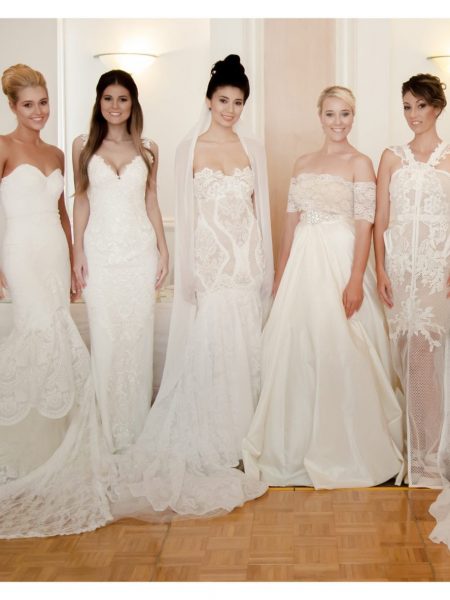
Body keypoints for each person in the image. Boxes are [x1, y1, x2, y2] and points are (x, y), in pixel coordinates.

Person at [110, 54, 274, 517]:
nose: (230, 110)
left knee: (247, 343)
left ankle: (248, 435)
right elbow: (185, 214)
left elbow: (261, 209)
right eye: (223, 100)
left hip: (246, 259)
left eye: (237, 103)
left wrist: (266, 264)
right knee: (214, 345)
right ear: (209, 100)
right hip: (211, 261)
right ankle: (218, 434)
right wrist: (188, 271)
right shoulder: (190, 148)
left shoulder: (253, 147)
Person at [242, 85, 404, 488]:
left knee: (342, 344)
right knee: (298, 346)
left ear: (353, 117)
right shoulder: (302, 163)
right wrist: (280, 275)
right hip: (303, 262)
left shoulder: (361, 163)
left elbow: (365, 226)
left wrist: (355, 280)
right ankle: (294, 443)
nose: (337, 122)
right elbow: (290, 225)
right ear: (320, 117)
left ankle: (346, 445)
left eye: (344, 114)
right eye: (330, 114)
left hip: (341, 258)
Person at [0, 64, 111, 538]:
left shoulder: (57, 153)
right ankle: (22, 449)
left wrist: (72, 258)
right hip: (21, 252)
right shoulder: (3, 147)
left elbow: (63, 212)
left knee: (57, 337)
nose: (38, 111)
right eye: (28, 104)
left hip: (53, 253)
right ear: (12, 106)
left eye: (43, 102)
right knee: (38, 334)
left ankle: (53, 447)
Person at [72, 70, 169, 454]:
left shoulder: (149, 149)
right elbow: (81, 199)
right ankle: (107, 433)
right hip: (99, 255)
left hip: (139, 254)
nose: (115, 106)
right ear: (99, 102)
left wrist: (163, 248)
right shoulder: (84, 146)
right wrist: (77, 250)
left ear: (133, 103)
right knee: (107, 338)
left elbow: (151, 199)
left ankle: (136, 433)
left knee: (136, 339)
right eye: (108, 98)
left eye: (123, 99)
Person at [375, 74, 450, 491]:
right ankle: (410, 449)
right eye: (407, 106)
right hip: (399, 271)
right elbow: (381, 217)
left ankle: (429, 458)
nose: (413, 115)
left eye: (421, 106)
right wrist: (380, 269)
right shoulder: (391, 157)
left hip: (436, 273)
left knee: (425, 357)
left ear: (437, 107)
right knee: (401, 357)